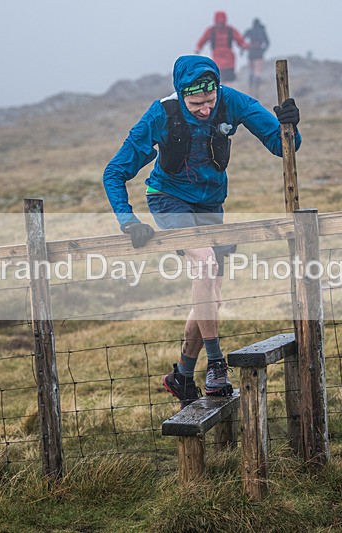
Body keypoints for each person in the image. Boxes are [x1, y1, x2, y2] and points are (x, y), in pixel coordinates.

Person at [102, 55, 302, 408]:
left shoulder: (232, 101)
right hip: (168, 200)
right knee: (205, 264)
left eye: (209, 101)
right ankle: (216, 364)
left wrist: (290, 127)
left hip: (210, 206)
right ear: (181, 95)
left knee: (213, 292)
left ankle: (181, 374)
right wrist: (128, 221)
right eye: (195, 103)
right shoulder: (161, 115)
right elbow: (114, 172)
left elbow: (282, 145)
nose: (205, 109)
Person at [195, 11, 248, 83]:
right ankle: (221, 89)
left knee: (228, 78)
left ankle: (226, 90)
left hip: (228, 57)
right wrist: (198, 47)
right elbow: (202, 40)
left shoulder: (230, 30)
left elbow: (240, 40)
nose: (220, 24)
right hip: (217, 56)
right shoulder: (211, 30)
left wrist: (244, 45)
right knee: (219, 75)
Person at [243, 18, 270, 96]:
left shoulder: (250, 31)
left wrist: (245, 47)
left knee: (252, 72)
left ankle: (251, 89)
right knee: (257, 73)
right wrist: (263, 49)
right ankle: (256, 90)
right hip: (259, 53)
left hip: (251, 52)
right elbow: (267, 42)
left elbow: (242, 39)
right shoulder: (262, 31)